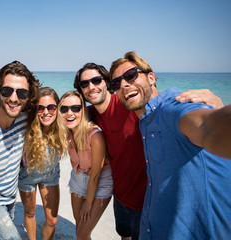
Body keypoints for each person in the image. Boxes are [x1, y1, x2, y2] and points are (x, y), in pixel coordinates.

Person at [73, 62, 225, 240]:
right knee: (124, 235)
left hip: (147, 200)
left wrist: (217, 108)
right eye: (84, 84)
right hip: (120, 195)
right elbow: (65, 115)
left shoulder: (129, 103)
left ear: (107, 83)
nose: (91, 87)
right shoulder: (90, 114)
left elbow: (164, 106)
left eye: (96, 80)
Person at [109, 51, 231, 239]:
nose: (124, 84)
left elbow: (209, 127)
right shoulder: (146, 121)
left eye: (131, 76)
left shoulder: (173, 107)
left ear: (151, 77)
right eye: (116, 84)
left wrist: (221, 113)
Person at [0, 61, 41, 240]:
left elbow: (54, 112)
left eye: (22, 93)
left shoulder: (24, 118)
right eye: (7, 91)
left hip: (10, 196)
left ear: (29, 96)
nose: (13, 98)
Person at [58, 91, 113, 240]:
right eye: (64, 109)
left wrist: (89, 203)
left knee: (81, 234)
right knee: (80, 228)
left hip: (100, 181)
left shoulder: (95, 135)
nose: (69, 113)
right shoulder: (65, 132)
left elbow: (96, 174)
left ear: (83, 110)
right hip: (78, 178)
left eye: (75, 108)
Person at [19, 87, 68, 240]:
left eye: (51, 107)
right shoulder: (25, 127)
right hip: (27, 177)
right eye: (40, 108)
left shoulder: (64, 126)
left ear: (57, 108)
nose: (46, 112)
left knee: (52, 220)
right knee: (30, 213)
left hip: (51, 175)